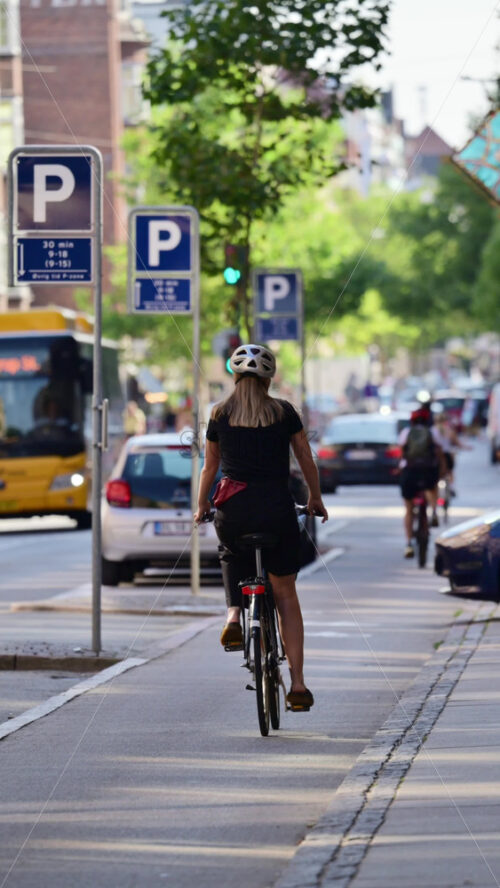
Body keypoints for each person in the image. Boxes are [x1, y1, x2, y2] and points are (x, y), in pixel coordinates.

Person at [194, 343, 328, 711]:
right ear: (268, 379)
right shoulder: (284, 413)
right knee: (285, 593)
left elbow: (210, 467)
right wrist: (315, 498)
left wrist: (203, 503)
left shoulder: (220, 414)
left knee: (230, 552)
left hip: (234, 510)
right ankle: (298, 684)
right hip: (276, 510)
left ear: (234, 377)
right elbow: (305, 459)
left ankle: (234, 614)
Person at [398, 406, 445, 559]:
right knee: (431, 488)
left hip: (410, 471)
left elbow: (401, 452)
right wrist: (442, 471)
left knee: (409, 508)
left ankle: (409, 544)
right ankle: (433, 511)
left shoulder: (406, 433)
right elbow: (439, 452)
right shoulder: (433, 432)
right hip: (427, 471)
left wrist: (399, 468)